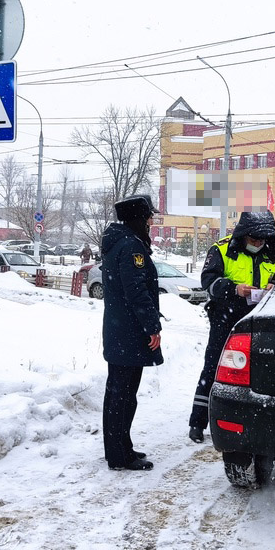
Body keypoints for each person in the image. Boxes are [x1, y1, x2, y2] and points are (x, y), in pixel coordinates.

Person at [188, 211, 275, 443]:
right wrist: (233, 289)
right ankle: (198, 422)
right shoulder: (221, 249)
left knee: (256, 372)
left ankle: (253, 420)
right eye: (254, 240)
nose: (258, 244)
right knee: (213, 368)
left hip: (258, 320)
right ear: (243, 235)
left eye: (262, 240)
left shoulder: (270, 252)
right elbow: (208, 282)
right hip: (225, 318)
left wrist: (274, 286)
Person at [101, 194, 163, 470]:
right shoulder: (131, 247)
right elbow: (137, 292)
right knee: (123, 396)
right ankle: (119, 455)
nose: (151, 222)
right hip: (129, 332)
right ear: (139, 218)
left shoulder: (120, 242)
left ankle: (120, 447)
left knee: (119, 393)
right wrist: (152, 326)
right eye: (149, 217)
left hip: (119, 330)